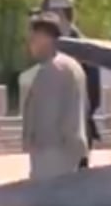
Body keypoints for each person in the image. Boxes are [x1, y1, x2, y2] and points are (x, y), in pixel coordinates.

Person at [21, 12, 89, 180]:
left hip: (53, 149)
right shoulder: (72, 65)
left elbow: (46, 115)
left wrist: (32, 142)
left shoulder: (53, 69)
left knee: (48, 194)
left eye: (34, 39)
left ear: (46, 39)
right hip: (67, 147)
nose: (30, 45)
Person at [39, 0, 102, 168]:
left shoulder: (83, 49)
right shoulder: (48, 46)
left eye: (47, 14)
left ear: (60, 14)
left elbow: (93, 95)